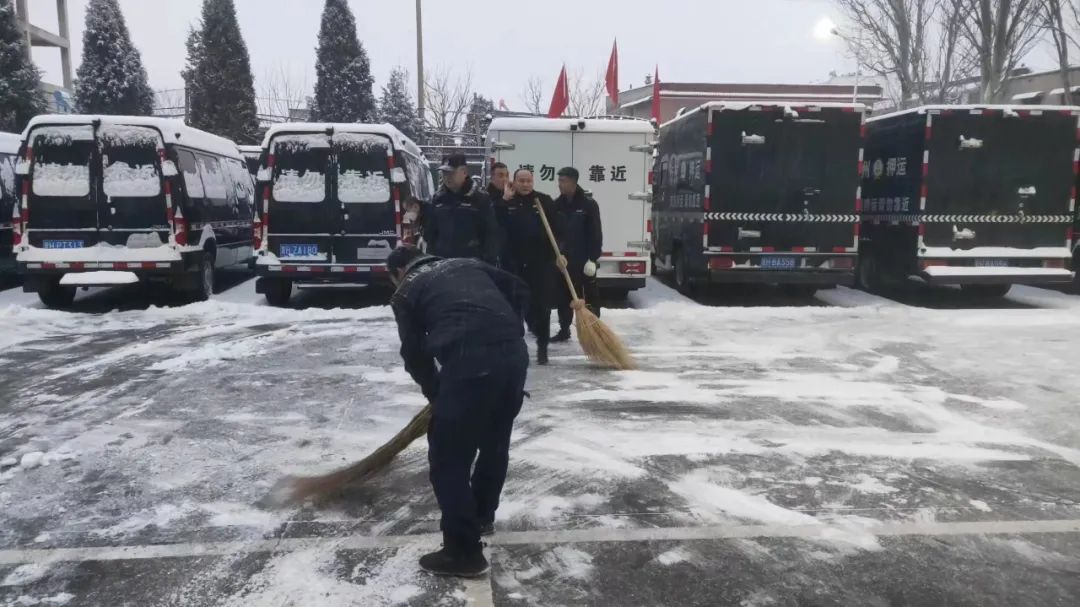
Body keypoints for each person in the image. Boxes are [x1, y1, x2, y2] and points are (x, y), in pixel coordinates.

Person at [387, 245, 531, 578]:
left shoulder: (405, 291)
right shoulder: (468, 263)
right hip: (513, 357)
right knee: (495, 442)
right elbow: (520, 288)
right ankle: (481, 516)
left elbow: (414, 355)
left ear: (397, 273)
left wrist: (436, 393)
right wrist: (510, 327)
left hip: (469, 362)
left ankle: (463, 552)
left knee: (448, 457)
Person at [495, 168, 566, 365]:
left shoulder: (544, 201)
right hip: (513, 264)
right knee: (514, 307)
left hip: (540, 264)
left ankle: (542, 348)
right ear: (514, 182)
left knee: (541, 308)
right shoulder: (506, 202)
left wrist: (560, 252)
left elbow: (559, 230)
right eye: (521, 181)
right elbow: (494, 223)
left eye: (528, 181)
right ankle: (516, 349)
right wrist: (504, 201)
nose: (525, 184)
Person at [553, 167, 603, 341]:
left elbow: (596, 233)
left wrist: (593, 259)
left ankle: (594, 330)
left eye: (563, 181)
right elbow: (555, 234)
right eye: (559, 181)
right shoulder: (557, 205)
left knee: (589, 296)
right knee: (563, 296)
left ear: (573, 182)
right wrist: (558, 255)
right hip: (565, 261)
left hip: (584, 261)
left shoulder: (588, 205)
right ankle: (564, 329)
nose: (560, 184)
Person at [424, 154, 500, 264]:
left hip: (471, 264)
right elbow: (431, 234)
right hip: (442, 264)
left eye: (451, 173)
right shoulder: (438, 199)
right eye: (444, 173)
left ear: (464, 172)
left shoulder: (480, 199)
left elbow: (490, 234)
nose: (447, 177)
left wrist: (487, 262)